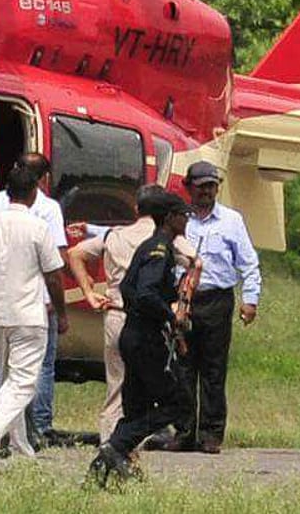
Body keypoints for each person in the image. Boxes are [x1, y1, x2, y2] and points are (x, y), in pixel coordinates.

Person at [66, 184, 197, 442]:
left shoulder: (115, 235)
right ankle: (128, 442)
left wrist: (89, 292)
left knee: (117, 387)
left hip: (116, 313)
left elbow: (75, 253)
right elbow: (195, 261)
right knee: (151, 387)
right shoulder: (166, 238)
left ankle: (110, 441)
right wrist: (181, 305)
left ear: (137, 208)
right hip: (148, 319)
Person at [0, 166, 68, 469]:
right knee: (23, 383)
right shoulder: (38, 228)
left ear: (7, 192)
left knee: (9, 376)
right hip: (28, 315)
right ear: (34, 192)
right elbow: (53, 276)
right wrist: (62, 312)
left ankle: (21, 447)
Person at [88, 193, 195, 485]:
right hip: (146, 338)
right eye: (183, 215)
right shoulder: (160, 249)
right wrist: (170, 315)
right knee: (178, 404)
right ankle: (118, 445)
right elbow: (146, 292)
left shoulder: (150, 246)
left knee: (135, 407)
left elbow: (127, 288)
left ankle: (99, 470)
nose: (187, 220)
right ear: (169, 218)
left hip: (132, 333)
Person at [170, 161, 261, 454]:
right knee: (182, 367)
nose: (207, 192)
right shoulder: (179, 219)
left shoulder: (231, 220)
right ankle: (184, 431)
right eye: (201, 187)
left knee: (213, 368)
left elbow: (248, 262)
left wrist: (250, 299)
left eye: (212, 186)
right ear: (189, 187)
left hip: (216, 300)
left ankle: (211, 434)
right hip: (183, 300)